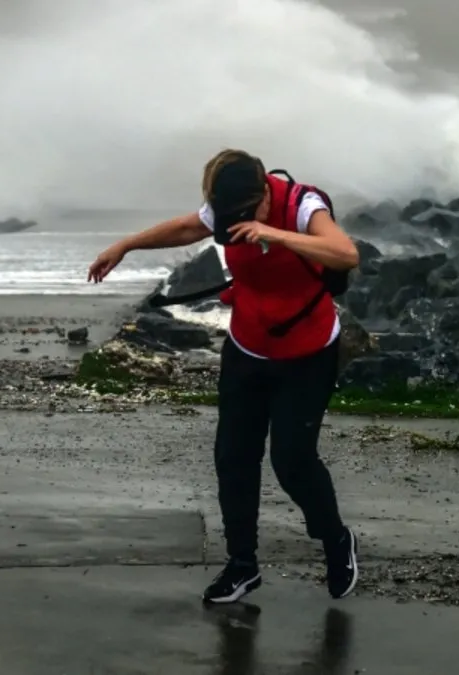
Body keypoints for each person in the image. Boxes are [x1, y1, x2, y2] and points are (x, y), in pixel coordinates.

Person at [87, 148, 360, 604]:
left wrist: (277, 234)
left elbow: (345, 253)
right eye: (224, 216)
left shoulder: (301, 204)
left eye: (242, 214)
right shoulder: (229, 205)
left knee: (292, 462)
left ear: (262, 196)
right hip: (248, 348)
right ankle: (242, 566)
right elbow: (187, 227)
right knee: (233, 458)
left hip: (307, 353)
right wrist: (126, 245)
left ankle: (335, 540)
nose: (231, 223)